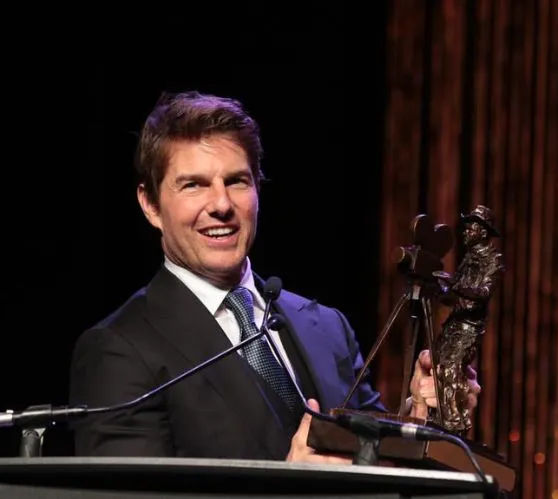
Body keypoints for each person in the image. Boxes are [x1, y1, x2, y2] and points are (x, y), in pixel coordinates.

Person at [68, 91, 480, 464]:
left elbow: (375, 462)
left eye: (236, 181)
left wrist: (417, 416)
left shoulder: (326, 327)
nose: (221, 205)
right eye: (193, 185)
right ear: (151, 205)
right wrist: (291, 487)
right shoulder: (118, 351)